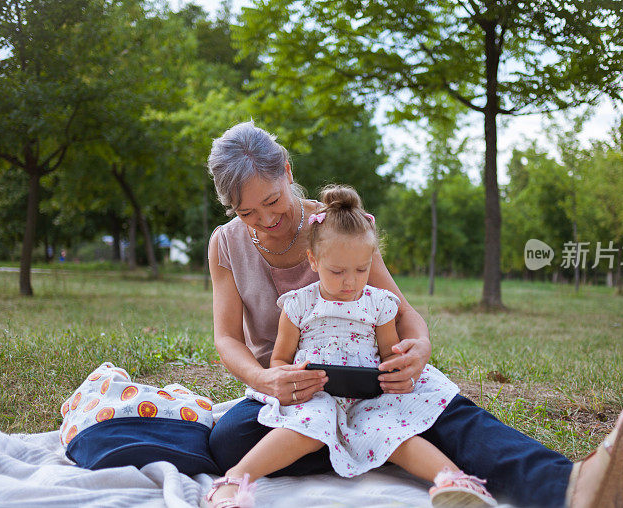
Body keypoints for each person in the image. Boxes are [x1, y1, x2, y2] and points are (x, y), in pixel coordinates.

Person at [206, 121, 623, 508]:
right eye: (247, 212)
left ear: (287, 172)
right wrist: (265, 380)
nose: (266, 220)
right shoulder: (225, 245)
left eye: (272, 201)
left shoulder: (336, 228)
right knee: (227, 441)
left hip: (372, 380)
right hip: (295, 391)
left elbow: (402, 312)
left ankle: (568, 486)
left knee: (446, 413)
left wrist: (420, 348)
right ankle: (385, 443)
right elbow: (228, 338)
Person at [206, 185, 496, 507]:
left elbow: (389, 354)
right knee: (307, 427)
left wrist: (396, 371)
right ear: (313, 261)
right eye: (338, 271)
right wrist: (286, 377)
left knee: (390, 431)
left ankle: (455, 482)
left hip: (365, 395)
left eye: (361, 269)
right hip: (313, 393)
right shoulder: (298, 304)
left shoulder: (380, 304)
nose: (351, 282)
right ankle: (234, 480)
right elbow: (279, 360)